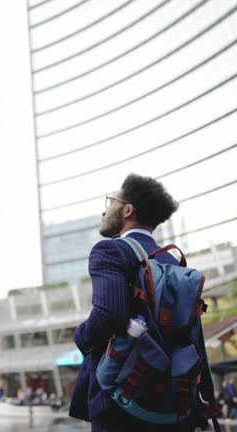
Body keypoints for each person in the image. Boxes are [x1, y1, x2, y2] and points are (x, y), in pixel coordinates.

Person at [69, 174, 209, 432]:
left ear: (127, 209)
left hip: (120, 394)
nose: (104, 210)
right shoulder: (172, 261)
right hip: (171, 397)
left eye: (110, 201)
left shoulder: (110, 250)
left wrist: (81, 337)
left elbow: (109, 313)